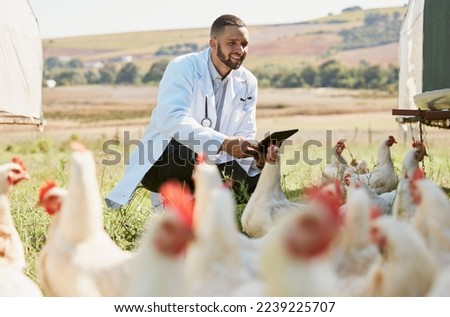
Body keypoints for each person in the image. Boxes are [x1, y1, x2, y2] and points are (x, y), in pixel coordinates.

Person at [105, 14, 265, 210]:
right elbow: (171, 120)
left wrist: (258, 157)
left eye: (244, 43)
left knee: (261, 181)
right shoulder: (183, 67)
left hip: (214, 163)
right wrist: (223, 143)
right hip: (166, 161)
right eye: (232, 42)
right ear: (213, 44)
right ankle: (173, 207)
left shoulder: (248, 81)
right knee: (183, 148)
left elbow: (246, 134)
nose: (240, 50)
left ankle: (206, 211)